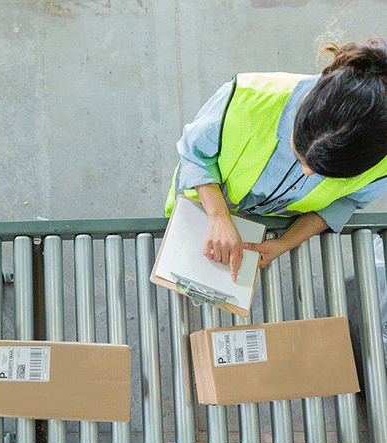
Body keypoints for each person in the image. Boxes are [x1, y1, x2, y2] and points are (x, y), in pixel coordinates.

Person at [165, 38, 387, 281]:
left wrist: (284, 242)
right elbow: (194, 154)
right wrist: (218, 216)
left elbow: (347, 200)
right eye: (299, 156)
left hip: (265, 225)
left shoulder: (380, 161)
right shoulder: (248, 99)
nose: (307, 174)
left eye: (326, 172)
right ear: (303, 107)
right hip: (201, 204)